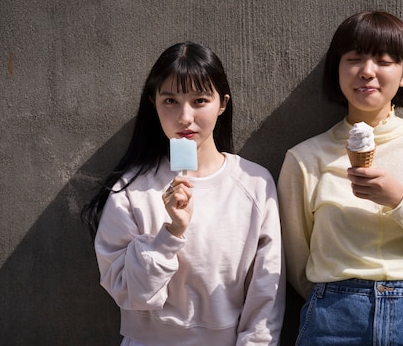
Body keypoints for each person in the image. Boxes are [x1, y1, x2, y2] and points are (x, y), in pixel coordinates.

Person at [277, 11, 403, 345]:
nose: (367, 71)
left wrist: (399, 199)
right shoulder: (304, 158)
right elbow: (299, 267)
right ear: (337, 70)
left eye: (383, 61)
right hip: (332, 319)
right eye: (353, 59)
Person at [82, 42, 285, 346]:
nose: (185, 117)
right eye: (170, 101)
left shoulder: (254, 183)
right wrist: (170, 233)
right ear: (154, 103)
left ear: (222, 104)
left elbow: (266, 294)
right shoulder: (131, 190)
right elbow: (129, 292)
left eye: (200, 100)